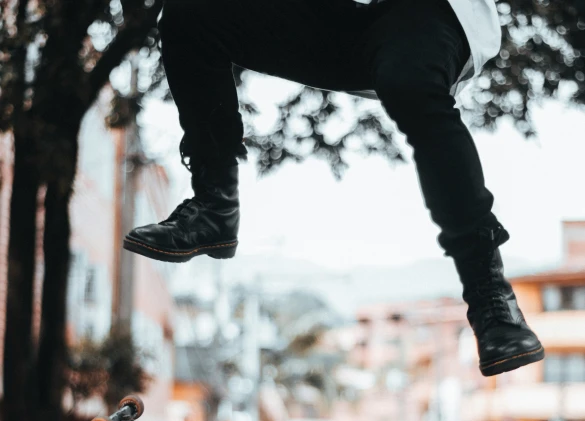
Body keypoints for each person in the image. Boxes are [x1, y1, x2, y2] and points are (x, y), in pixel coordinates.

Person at [124, 0, 545, 377]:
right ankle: (214, 208)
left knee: (410, 81)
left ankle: (491, 301)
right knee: (191, 14)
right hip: (329, 17)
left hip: (425, 16)